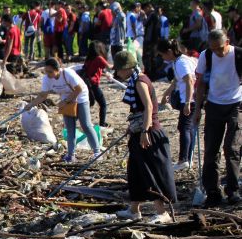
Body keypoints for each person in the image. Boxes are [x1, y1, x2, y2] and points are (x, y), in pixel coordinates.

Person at [111, 51, 177, 223]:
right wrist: (132, 127)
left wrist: (145, 131)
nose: (117, 73)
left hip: (149, 132)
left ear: (127, 68)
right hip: (139, 130)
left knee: (150, 171)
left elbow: (148, 106)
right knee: (135, 171)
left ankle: (162, 212)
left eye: (118, 69)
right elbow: (138, 110)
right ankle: (134, 210)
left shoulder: (140, 81)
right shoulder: (135, 80)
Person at [193, 29, 242, 206]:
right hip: (213, 105)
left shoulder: (238, 54)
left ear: (227, 42)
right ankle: (213, 191)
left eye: (220, 48)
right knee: (211, 151)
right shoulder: (206, 56)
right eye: (213, 49)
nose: (218, 52)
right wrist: (197, 109)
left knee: (232, 148)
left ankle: (233, 190)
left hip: (236, 104)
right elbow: (200, 84)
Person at [26, 58, 101, 162]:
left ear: (57, 70)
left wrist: (65, 101)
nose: (48, 74)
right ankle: (71, 155)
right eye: (46, 71)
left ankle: (97, 152)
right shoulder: (46, 79)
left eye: (50, 72)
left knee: (86, 125)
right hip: (66, 100)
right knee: (70, 128)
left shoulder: (67, 73)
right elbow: (43, 95)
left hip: (80, 97)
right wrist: (31, 104)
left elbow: (79, 89)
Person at [158, 39, 197, 171]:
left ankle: (183, 159)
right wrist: (167, 93)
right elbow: (177, 80)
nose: (162, 58)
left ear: (169, 51)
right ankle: (188, 159)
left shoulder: (181, 62)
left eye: (162, 55)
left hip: (190, 100)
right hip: (189, 99)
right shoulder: (179, 61)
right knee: (188, 128)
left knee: (184, 127)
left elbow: (189, 81)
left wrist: (187, 102)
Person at [83, 41, 111, 128]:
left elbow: (93, 71)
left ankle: (78, 119)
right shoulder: (99, 58)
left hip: (86, 83)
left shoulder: (88, 59)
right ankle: (102, 123)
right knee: (103, 104)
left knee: (90, 102)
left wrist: (105, 74)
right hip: (93, 84)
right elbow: (110, 67)